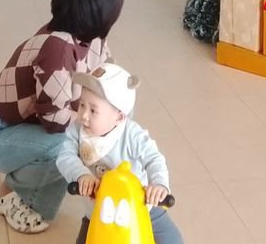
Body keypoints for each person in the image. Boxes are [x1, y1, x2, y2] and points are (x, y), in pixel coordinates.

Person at [0, 0, 125, 234]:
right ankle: (11, 195)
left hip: (31, 123)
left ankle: (27, 183)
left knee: (93, 131)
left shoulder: (91, 38)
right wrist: (92, 127)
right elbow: (55, 122)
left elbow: (107, 78)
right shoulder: (57, 50)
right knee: (67, 145)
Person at [56, 64, 183, 244]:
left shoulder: (132, 135)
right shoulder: (77, 131)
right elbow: (65, 156)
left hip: (140, 206)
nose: (84, 115)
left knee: (173, 240)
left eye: (93, 110)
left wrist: (159, 185)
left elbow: (154, 159)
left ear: (119, 117)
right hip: (98, 212)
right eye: (82, 105)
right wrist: (81, 174)